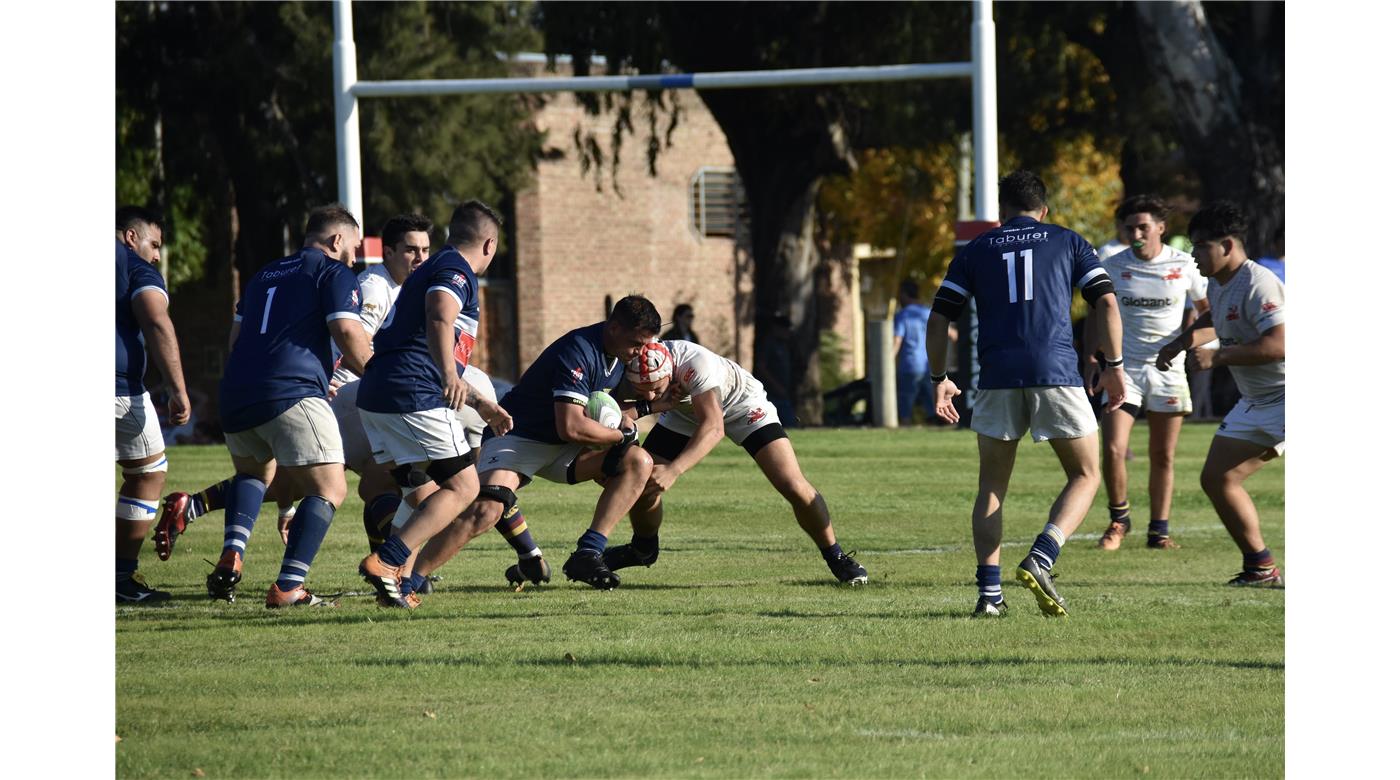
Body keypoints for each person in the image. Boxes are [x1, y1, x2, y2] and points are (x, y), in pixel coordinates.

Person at [925, 170, 1127, 618]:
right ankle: (1043, 554)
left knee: (992, 485)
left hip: (997, 374)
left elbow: (939, 317)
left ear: (1001, 211)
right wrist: (1113, 368)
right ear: (1045, 210)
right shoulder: (1068, 240)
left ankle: (990, 598)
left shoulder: (977, 248)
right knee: (1087, 474)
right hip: (1055, 371)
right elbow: (1107, 302)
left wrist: (939, 376)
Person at [406, 296, 662, 595]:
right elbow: (573, 426)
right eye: (636, 343)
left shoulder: (621, 355)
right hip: (519, 437)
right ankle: (411, 577)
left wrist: (650, 405)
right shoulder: (578, 350)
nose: (640, 351)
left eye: (645, 344)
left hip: (564, 448)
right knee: (485, 511)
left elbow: (607, 411)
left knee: (638, 462)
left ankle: (588, 554)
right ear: (615, 328)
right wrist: (620, 436)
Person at [208, 204, 374, 608]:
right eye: (352, 247)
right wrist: (380, 374)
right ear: (337, 241)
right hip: (290, 390)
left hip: (235, 392)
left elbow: (235, 340)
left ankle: (234, 552)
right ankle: (289, 586)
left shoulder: (264, 273)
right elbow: (347, 331)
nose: (355, 257)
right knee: (330, 487)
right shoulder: (333, 272)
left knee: (253, 473)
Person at [355, 200, 513, 608]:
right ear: (490, 244)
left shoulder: (432, 266)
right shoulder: (456, 270)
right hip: (411, 392)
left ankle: (399, 585)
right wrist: (448, 376)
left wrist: (480, 402)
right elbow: (440, 315)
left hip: (379, 392)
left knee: (420, 488)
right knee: (465, 486)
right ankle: (388, 561)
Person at [608, 339, 869, 584]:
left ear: (670, 372)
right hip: (683, 414)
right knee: (642, 480)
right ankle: (643, 549)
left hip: (742, 406)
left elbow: (714, 428)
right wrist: (649, 407)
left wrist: (674, 470)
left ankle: (836, 556)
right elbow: (615, 412)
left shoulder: (696, 365)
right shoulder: (632, 365)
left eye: (656, 388)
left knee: (791, 483)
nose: (651, 395)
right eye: (644, 391)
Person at [1155, 201, 1284, 587]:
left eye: (1200, 246)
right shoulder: (1220, 281)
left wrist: (1218, 356)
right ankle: (1260, 568)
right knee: (1217, 479)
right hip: (1258, 401)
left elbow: (1281, 344)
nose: (1194, 255)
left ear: (1227, 245)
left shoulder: (1259, 281)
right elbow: (1216, 317)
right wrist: (1181, 342)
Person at [1085, 195, 1209, 551]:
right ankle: (1119, 520)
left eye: (1143, 226)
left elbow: (1205, 312)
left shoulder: (1185, 265)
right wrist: (1090, 357)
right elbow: (1097, 312)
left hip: (1168, 370)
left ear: (1161, 228)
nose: (1136, 233)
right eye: (1129, 227)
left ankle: (1159, 531)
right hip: (1124, 368)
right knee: (1112, 447)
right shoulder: (1111, 264)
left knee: (1163, 455)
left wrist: (1192, 343)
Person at [115, 207, 190, 603]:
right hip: (117, 389)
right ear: (131, 237)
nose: (157, 255)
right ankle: (120, 578)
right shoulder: (134, 267)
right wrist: (177, 388)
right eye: (154, 244)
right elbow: (156, 320)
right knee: (147, 471)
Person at [892, 279, 935, 424]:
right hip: (929, 365)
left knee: (906, 400)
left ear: (904, 295)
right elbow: (950, 334)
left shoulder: (903, 316)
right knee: (931, 401)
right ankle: (936, 425)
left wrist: (887, 361)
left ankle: (905, 426)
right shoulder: (927, 312)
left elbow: (897, 340)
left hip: (909, 365)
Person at [754, 313, 799, 427]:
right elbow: (761, 367)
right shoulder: (768, 344)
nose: (787, 332)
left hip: (782, 392)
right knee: (770, 422)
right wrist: (776, 385)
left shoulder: (784, 345)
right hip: (770, 393)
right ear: (776, 328)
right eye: (785, 329)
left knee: (790, 423)